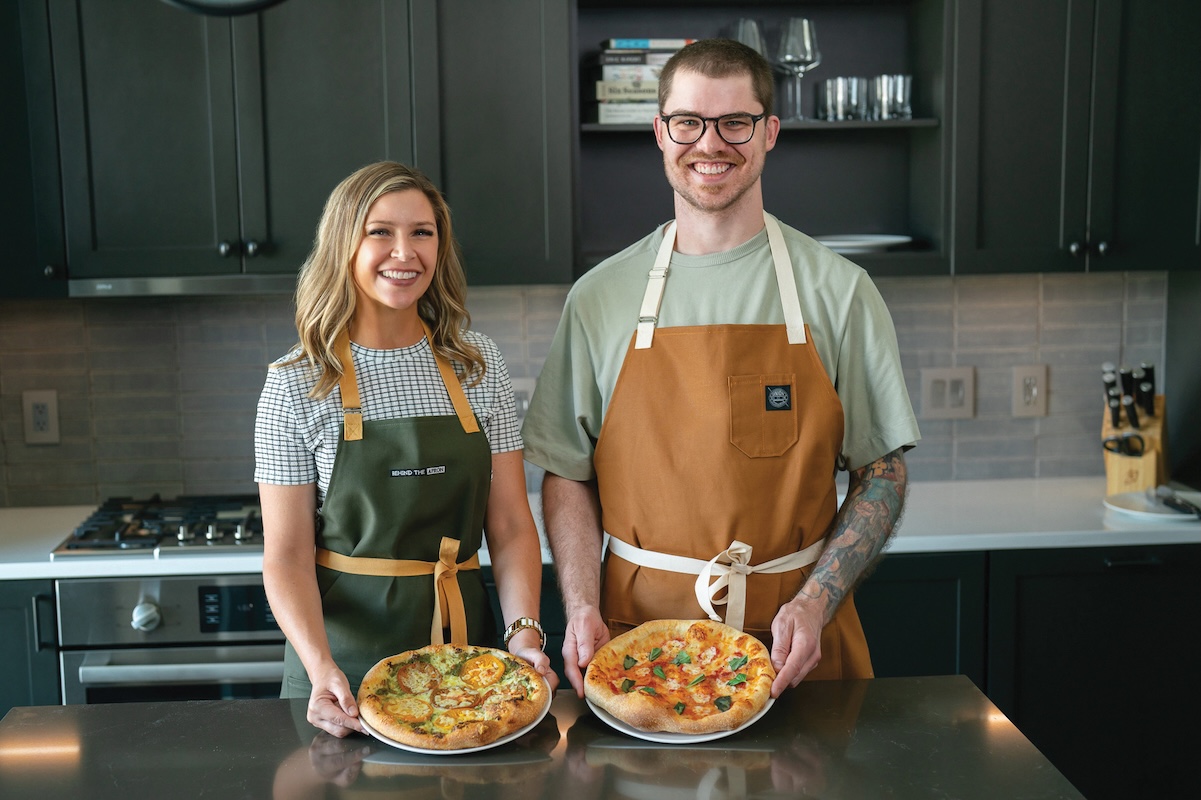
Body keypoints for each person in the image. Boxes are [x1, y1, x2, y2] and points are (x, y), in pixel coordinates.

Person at [521, 39, 920, 699]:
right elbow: (566, 471)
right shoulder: (599, 297)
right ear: (659, 132)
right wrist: (581, 605)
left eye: (735, 122)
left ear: (768, 132)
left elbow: (882, 471)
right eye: (688, 122)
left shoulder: (839, 291)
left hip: (796, 650)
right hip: (636, 647)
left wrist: (816, 599)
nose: (709, 143)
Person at [255, 161, 555, 738]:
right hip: (342, 666)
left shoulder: (477, 364)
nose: (405, 252)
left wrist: (523, 634)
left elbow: (513, 523)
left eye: (422, 232)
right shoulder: (298, 381)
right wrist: (320, 669)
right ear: (344, 244)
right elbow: (286, 557)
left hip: (472, 659)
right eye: (380, 232)